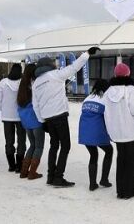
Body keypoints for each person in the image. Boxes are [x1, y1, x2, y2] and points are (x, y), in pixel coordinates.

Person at [32, 47, 99, 187]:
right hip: (59, 116)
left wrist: (41, 120)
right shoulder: (55, 75)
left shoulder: (36, 83)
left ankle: (51, 176)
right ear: (49, 66)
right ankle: (58, 177)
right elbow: (74, 67)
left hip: (48, 118)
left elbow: (35, 104)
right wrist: (87, 54)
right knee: (65, 145)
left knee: (54, 146)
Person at [104, 63, 134, 200]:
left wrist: (110, 130)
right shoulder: (131, 89)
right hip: (130, 130)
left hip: (117, 131)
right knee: (130, 161)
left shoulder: (108, 91)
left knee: (121, 159)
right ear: (128, 74)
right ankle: (128, 190)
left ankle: (120, 190)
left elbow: (106, 113)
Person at [79, 79, 113, 191]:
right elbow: (107, 118)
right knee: (109, 151)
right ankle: (104, 179)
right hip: (97, 132)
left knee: (93, 155)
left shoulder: (87, 99)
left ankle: (92, 184)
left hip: (84, 131)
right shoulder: (104, 99)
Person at [0, 64, 27, 173]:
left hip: (7, 116)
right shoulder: (23, 82)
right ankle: (20, 166)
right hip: (20, 116)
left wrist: (3, 109)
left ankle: (11, 165)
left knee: (9, 141)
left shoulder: (3, 82)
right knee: (21, 140)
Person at [17, 64, 44, 180]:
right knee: (39, 146)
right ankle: (32, 172)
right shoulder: (35, 85)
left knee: (32, 145)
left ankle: (24, 171)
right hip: (35, 119)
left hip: (25, 120)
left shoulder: (22, 85)